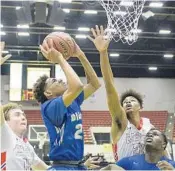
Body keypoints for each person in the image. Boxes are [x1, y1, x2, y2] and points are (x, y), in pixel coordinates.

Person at [88, 25, 154, 160]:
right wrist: (103, 53)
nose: (128, 102)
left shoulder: (148, 125)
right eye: (125, 102)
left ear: (141, 107)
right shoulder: (120, 121)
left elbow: (161, 149)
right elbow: (109, 86)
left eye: (132, 100)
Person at [33, 39, 101, 170]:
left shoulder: (73, 100)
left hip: (77, 165)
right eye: (54, 81)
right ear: (48, 92)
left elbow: (94, 84)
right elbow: (78, 86)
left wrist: (81, 55)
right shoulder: (50, 106)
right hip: (62, 167)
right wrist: (59, 58)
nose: (59, 79)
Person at [0, 103, 49, 170]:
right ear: (6, 122)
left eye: (23, 115)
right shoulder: (5, 135)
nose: (23, 118)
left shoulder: (27, 146)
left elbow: (43, 168)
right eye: (17, 115)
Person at [101, 128, 175, 170]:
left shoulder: (172, 165)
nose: (150, 135)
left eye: (155, 134)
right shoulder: (128, 162)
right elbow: (108, 169)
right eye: (148, 135)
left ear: (164, 144)